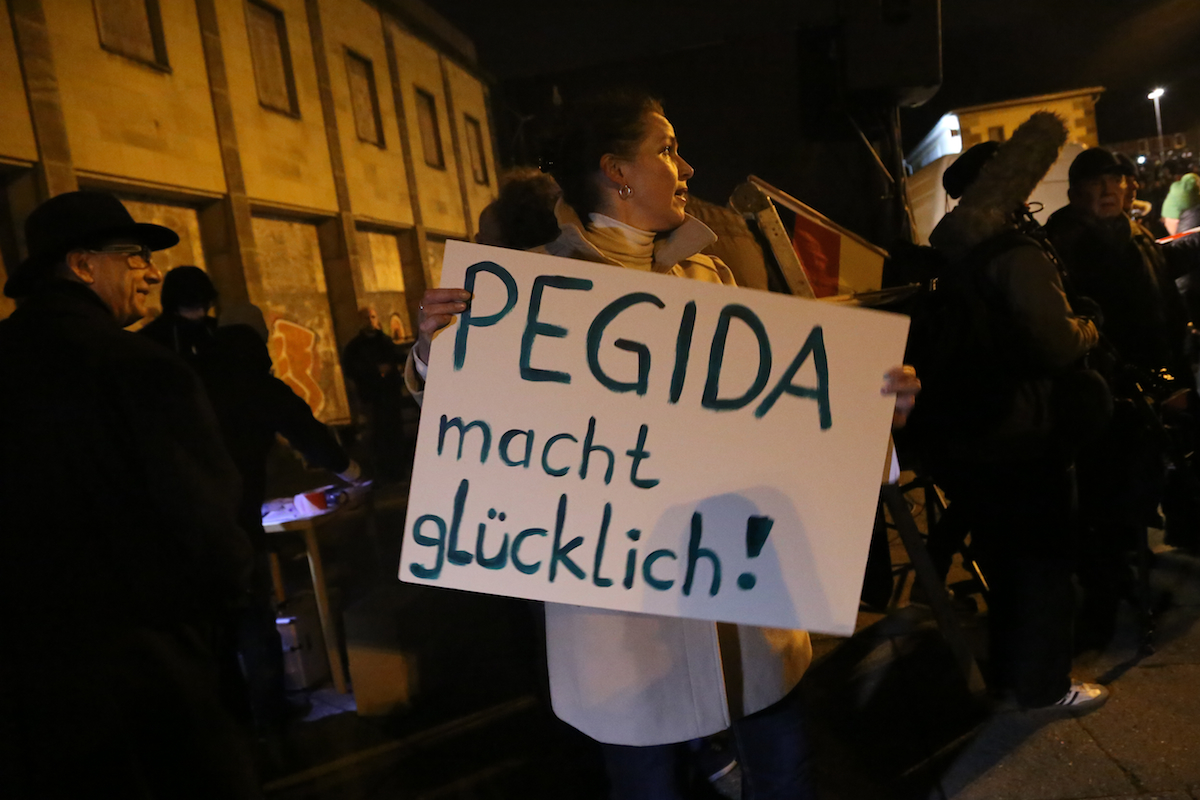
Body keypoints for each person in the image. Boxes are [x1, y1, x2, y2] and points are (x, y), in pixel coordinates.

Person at [408, 89, 919, 799]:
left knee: (786, 775)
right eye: (668, 150)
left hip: (742, 604)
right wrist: (437, 350)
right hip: (622, 625)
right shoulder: (530, 291)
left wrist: (866, 407)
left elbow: (771, 418)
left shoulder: (711, 275)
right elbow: (482, 427)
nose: (686, 167)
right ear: (617, 171)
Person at [0, 191, 261, 797]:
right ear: (83, 265)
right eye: (135, 256)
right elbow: (207, 528)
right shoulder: (141, 368)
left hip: (29, 694)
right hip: (148, 680)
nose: (151, 273)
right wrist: (228, 602)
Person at [915, 114, 1107, 712]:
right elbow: (1056, 343)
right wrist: (1090, 325)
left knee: (1004, 565)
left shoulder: (953, 255)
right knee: (1045, 566)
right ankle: (1046, 686)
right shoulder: (1015, 253)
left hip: (978, 433)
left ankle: (1009, 675)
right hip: (1029, 433)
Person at [142, 268, 360, 728]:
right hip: (235, 519)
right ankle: (270, 712)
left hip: (175, 521)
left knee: (213, 626)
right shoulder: (250, 378)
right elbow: (305, 430)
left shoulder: (180, 367)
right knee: (252, 614)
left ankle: (231, 718)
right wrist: (355, 474)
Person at [1045, 148, 1197, 646]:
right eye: (1096, 183)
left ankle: (1131, 569)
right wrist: (1141, 383)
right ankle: (1101, 610)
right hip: (1106, 395)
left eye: (1115, 180)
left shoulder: (1132, 233)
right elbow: (1087, 328)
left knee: (1138, 488)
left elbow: (1159, 291)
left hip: (1148, 385)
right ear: (1074, 194)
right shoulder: (1065, 244)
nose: (1108, 190)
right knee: (1103, 501)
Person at [343, 306, 410, 482]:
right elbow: (351, 369)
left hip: (390, 395)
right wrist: (374, 371)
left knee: (394, 434)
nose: (370, 321)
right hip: (371, 397)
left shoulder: (384, 341)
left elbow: (397, 356)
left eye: (373, 317)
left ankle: (398, 472)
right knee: (377, 437)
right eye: (366, 318)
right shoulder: (355, 347)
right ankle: (382, 474)